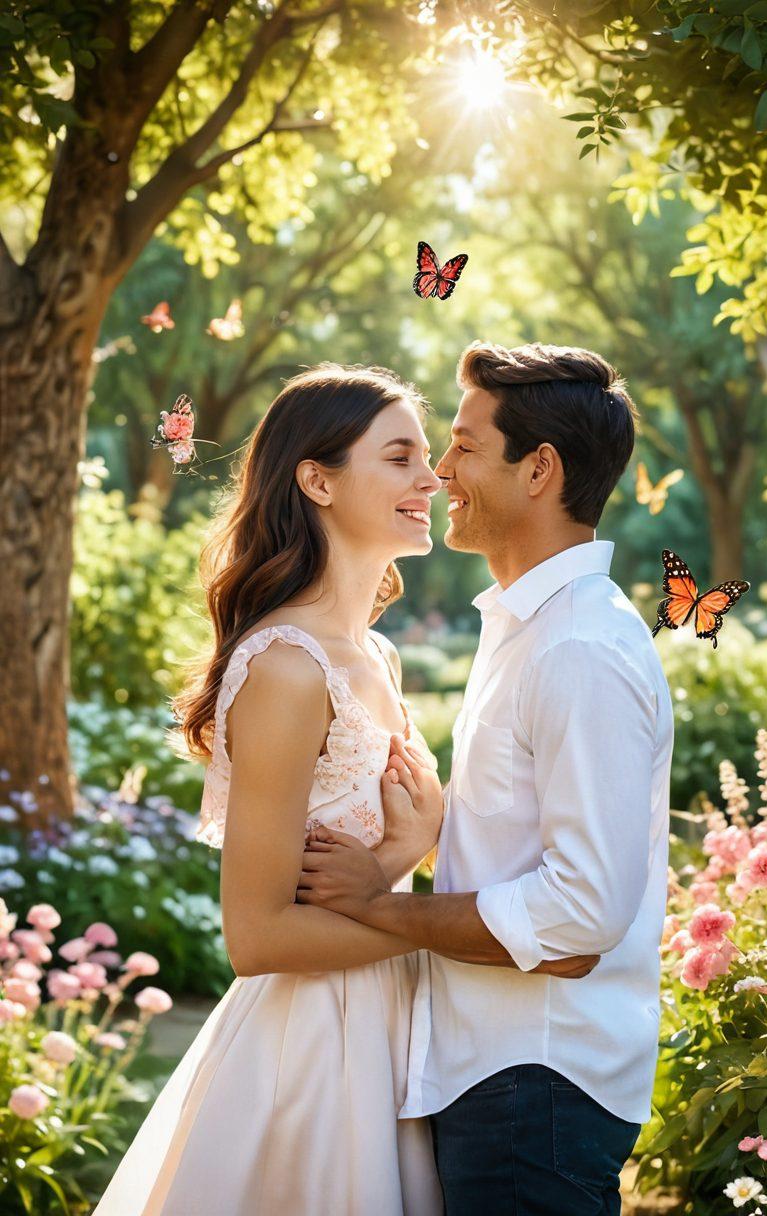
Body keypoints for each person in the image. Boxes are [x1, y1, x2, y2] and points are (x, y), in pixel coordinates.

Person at [93, 361, 596, 1216]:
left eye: (429, 458)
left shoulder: (377, 655)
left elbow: (381, 858)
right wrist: (422, 898)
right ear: (317, 480)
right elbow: (256, 936)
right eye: (400, 458)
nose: (433, 479)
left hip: (400, 1034)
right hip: (313, 1045)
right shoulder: (287, 667)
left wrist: (411, 854)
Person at [299, 341, 675, 1216]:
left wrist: (381, 906)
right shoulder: (527, 627)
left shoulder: (579, 647)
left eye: (465, 446)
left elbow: (580, 920)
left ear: (539, 470)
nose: (440, 471)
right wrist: (430, 832)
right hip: (499, 1076)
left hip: (535, 1084)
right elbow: (523, 853)